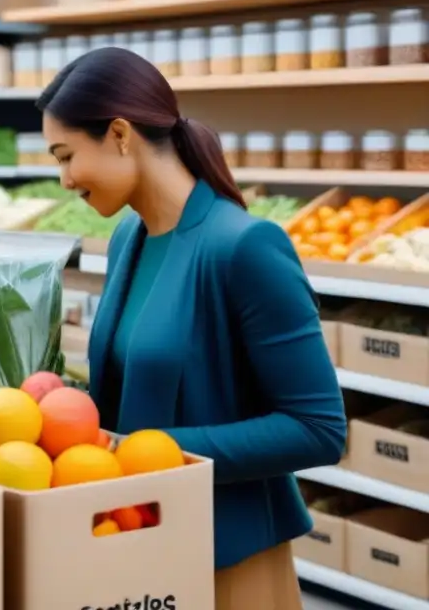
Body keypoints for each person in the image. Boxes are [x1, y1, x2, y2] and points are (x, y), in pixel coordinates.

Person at [38, 48, 346, 609]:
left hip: (227, 557)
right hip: (140, 548)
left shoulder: (244, 246)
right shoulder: (130, 240)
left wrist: (146, 452)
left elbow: (318, 427)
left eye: (66, 155)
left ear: (121, 134)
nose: (63, 179)